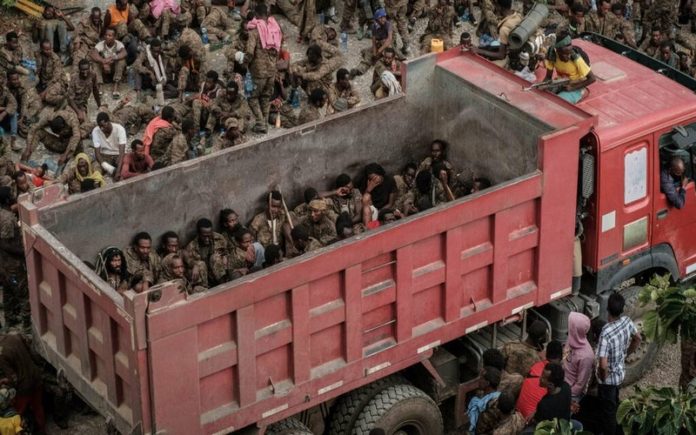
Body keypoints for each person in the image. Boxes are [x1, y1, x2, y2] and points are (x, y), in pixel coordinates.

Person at [596, 292, 641, 435]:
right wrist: (627, 353)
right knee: (613, 401)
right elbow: (638, 338)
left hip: (608, 380)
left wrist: (603, 378)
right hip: (620, 374)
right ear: (622, 309)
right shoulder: (627, 321)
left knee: (607, 412)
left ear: (607, 309)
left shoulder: (606, 332)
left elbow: (603, 365)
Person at [240, 3, 282, 133]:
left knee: (252, 97)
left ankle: (260, 122)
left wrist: (244, 62)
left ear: (256, 14)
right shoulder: (274, 28)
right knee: (265, 97)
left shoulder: (255, 30)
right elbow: (278, 50)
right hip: (271, 71)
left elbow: (250, 52)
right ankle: (264, 123)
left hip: (258, 72)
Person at [0, 334, 45, 434]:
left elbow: (14, 378)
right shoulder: (14, 336)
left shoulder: (1, 354)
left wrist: (4, 381)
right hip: (36, 376)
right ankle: (42, 430)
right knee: (38, 406)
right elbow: (33, 355)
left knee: (17, 413)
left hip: (24, 387)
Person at [0, 187, 28, 327]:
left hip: (4, 264)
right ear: (6, 199)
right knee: (24, 295)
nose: (13, 196)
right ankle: (28, 328)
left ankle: (10, 321)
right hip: (13, 265)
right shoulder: (7, 218)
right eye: (10, 194)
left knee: (8, 293)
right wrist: (23, 252)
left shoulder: (3, 214)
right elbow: (5, 244)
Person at [543, 33, 596, 104]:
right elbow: (548, 77)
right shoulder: (553, 55)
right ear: (557, 51)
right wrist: (543, 85)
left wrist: (572, 88)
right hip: (560, 83)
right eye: (564, 54)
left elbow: (592, 78)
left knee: (558, 102)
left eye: (569, 53)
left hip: (576, 86)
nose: (568, 57)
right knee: (542, 96)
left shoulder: (576, 59)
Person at [516, 340, 563, 420]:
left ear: (546, 354)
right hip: (531, 419)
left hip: (518, 412)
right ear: (560, 357)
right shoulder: (555, 378)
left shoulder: (536, 365)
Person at [471, 0, 522, 67]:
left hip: (508, 55)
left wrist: (479, 51)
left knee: (479, 63)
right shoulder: (518, 15)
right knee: (485, 48)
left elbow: (501, 55)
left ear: (499, 7)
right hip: (515, 49)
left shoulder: (504, 29)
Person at [183, 218, 229, 287]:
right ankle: (205, 288)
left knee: (215, 257)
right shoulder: (191, 247)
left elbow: (226, 251)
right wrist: (195, 265)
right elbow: (189, 263)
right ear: (199, 234)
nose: (207, 239)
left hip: (217, 273)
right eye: (204, 236)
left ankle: (224, 285)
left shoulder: (219, 238)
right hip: (203, 276)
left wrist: (225, 257)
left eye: (209, 235)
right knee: (200, 264)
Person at [564, 312, 594, 414]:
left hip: (570, 393)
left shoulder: (586, 356)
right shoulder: (571, 339)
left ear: (575, 329)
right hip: (562, 385)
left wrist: (566, 395)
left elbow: (580, 383)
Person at [351, 9, 394, 78]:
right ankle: (359, 70)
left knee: (387, 58)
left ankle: (387, 73)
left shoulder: (388, 24)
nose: (383, 19)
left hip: (388, 46)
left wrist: (379, 51)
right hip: (379, 44)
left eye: (384, 17)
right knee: (369, 55)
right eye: (381, 18)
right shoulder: (374, 27)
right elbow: (374, 41)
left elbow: (389, 39)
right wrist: (374, 53)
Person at [90, 28, 127, 99]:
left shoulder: (118, 44)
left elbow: (124, 52)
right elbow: (94, 54)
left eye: (110, 35)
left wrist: (113, 58)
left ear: (114, 37)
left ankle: (116, 86)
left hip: (114, 69)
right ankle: (100, 85)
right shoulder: (101, 44)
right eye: (106, 35)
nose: (107, 37)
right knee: (95, 62)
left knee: (121, 61)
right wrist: (103, 61)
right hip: (104, 70)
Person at [93, 112, 127, 180]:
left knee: (126, 164)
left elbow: (122, 153)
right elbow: (97, 154)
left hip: (118, 155)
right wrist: (108, 168)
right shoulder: (96, 131)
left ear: (108, 121)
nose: (102, 128)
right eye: (100, 126)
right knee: (96, 168)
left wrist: (117, 172)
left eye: (103, 125)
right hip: (105, 155)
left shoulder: (119, 129)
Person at [468, 366, 502, 433]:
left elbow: (481, 429)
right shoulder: (483, 395)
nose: (479, 380)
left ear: (487, 383)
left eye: (481, 378)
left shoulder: (491, 405)